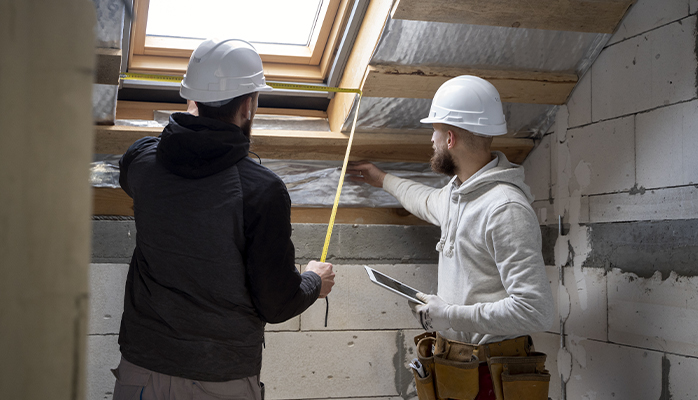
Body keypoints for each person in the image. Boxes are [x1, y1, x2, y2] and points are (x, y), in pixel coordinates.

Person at [112, 38, 335, 400]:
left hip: (140, 371)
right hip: (220, 381)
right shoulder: (262, 191)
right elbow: (277, 304)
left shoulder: (141, 161)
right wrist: (314, 281)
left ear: (191, 99)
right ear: (248, 106)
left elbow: (142, 170)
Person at [347, 75, 553, 400]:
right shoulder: (458, 194)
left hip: (493, 376)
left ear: (451, 138)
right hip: (461, 368)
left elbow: (535, 310)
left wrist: (449, 314)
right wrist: (382, 179)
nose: (432, 139)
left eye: (435, 131)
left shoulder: (504, 208)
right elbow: (425, 201)